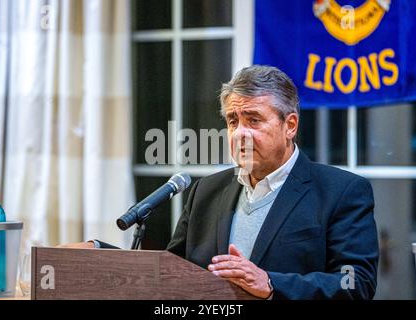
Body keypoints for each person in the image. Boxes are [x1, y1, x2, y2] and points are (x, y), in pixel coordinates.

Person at [60, 65, 379, 300]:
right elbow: (172, 274)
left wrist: (270, 284)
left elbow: (356, 283)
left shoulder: (341, 191)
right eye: (232, 121)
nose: (240, 132)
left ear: (290, 125)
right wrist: (100, 255)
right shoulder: (206, 190)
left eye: (253, 120)